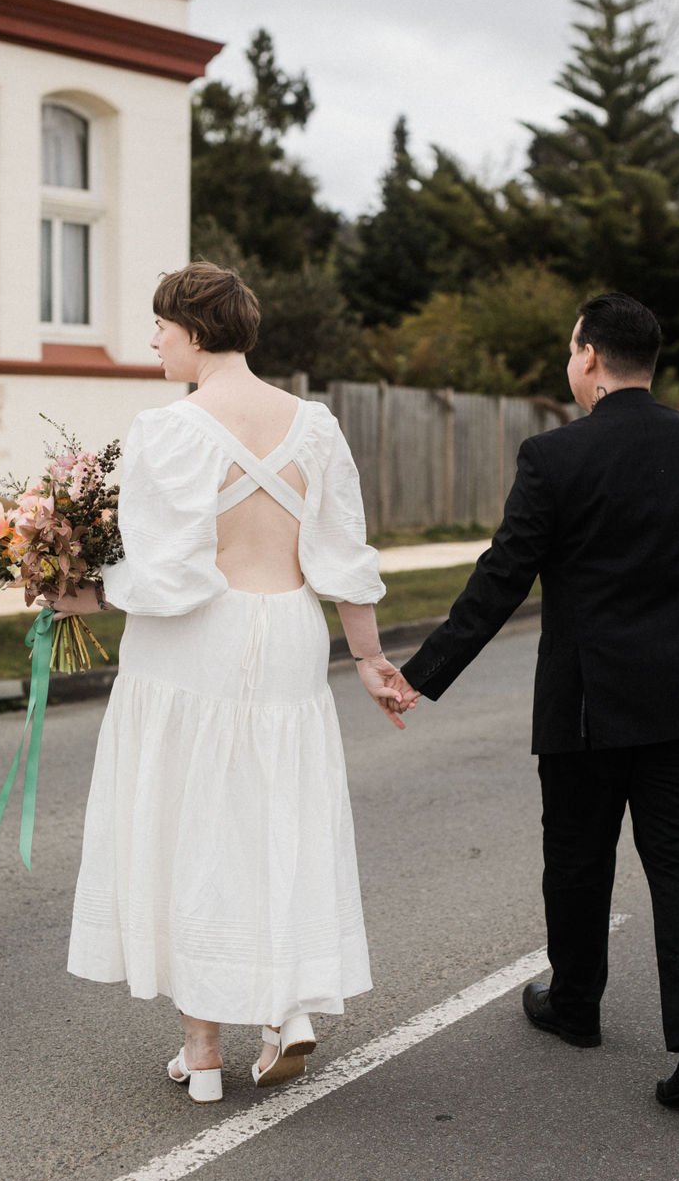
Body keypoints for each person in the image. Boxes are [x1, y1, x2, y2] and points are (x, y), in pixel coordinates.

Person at [55, 262, 412, 1104]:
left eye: (159, 326)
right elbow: (342, 554)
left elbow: (166, 574)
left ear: (195, 330)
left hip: (194, 648)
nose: (151, 340)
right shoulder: (315, 425)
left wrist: (80, 590)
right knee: (274, 817)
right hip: (288, 631)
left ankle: (203, 1053)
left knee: (191, 828)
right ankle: (284, 1005)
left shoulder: (167, 430)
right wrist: (368, 658)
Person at [399, 292, 679, 1108]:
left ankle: (575, 1004)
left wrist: (421, 675)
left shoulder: (554, 457)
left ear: (590, 356)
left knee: (576, 854)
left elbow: (503, 579)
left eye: (571, 350)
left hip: (587, 705)